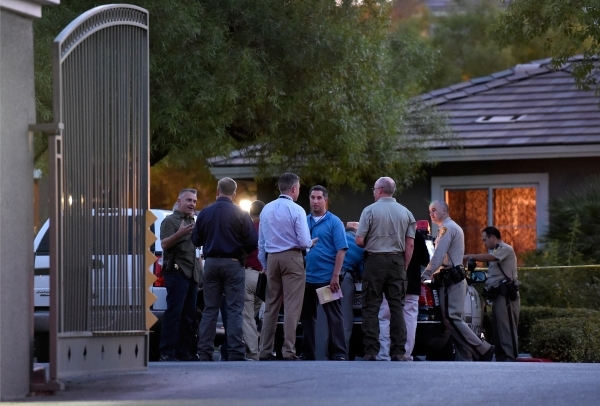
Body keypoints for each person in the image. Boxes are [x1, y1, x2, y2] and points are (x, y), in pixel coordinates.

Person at [192, 177, 258, 361]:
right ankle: (236, 351)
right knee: (235, 309)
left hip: (211, 263)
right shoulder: (240, 213)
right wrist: (241, 251)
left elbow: (196, 240)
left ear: (217, 191)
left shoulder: (205, 213)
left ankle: (204, 352)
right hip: (234, 263)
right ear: (234, 194)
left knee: (210, 309)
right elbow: (252, 242)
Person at [422, 200, 494, 361]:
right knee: (455, 320)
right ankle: (465, 359)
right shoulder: (451, 228)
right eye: (430, 211)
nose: (431, 213)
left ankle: (483, 349)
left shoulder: (447, 229)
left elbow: (438, 256)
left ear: (444, 211)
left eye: (434, 210)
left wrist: (425, 274)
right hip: (454, 279)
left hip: (450, 279)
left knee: (451, 318)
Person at [355, 177, 415, 361]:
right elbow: (410, 244)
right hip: (397, 261)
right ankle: (398, 351)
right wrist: (403, 266)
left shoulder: (369, 211)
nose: (373, 192)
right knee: (397, 307)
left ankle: (371, 351)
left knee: (371, 306)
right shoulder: (406, 213)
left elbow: (359, 240)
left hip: (374, 261)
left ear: (380, 190)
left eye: (374, 189)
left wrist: (371, 241)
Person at [258, 173, 315, 361]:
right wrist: (310, 243)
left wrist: (265, 264)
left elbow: (261, 242)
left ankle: (265, 350)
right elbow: (303, 240)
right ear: (294, 188)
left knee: (271, 306)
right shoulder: (297, 209)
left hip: (272, 258)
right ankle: (288, 350)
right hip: (292, 257)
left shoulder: (266, 209)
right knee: (292, 305)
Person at [300, 186, 348, 360]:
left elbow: (341, 250)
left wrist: (335, 276)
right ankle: (307, 354)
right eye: (312, 197)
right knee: (307, 318)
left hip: (326, 279)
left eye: (319, 198)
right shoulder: (303, 221)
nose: (315, 201)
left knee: (333, 317)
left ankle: (339, 353)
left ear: (325, 200)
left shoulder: (334, 222)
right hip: (306, 278)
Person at [377, 219, 430, 361]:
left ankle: (383, 353)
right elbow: (425, 260)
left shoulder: (388, 234)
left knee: (385, 317)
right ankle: (405, 354)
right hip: (411, 283)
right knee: (409, 318)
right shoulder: (417, 235)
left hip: (389, 282)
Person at [464, 226, 520, 361]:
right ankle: (501, 357)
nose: (484, 243)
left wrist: (469, 256)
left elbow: (490, 257)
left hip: (506, 295)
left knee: (506, 327)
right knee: (498, 327)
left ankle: (510, 358)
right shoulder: (497, 251)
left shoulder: (505, 249)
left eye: (485, 240)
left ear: (493, 237)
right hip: (498, 295)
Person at [159, 188, 202, 361]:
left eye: (194, 201)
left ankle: (184, 352)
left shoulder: (193, 221)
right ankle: (166, 352)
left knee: (189, 315)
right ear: (179, 201)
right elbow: (164, 244)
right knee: (174, 313)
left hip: (192, 273)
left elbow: (197, 251)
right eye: (189, 200)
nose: (192, 204)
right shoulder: (170, 221)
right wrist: (179, 234)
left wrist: (200, 275)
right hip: (177, 271)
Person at [242, 200, 266, 360]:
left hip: (248, 274)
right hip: (264, 276)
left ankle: (253, 353)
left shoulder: (247, 229)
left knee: (247, 316)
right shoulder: (268, 229)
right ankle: (262, 348)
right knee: (256, 315)